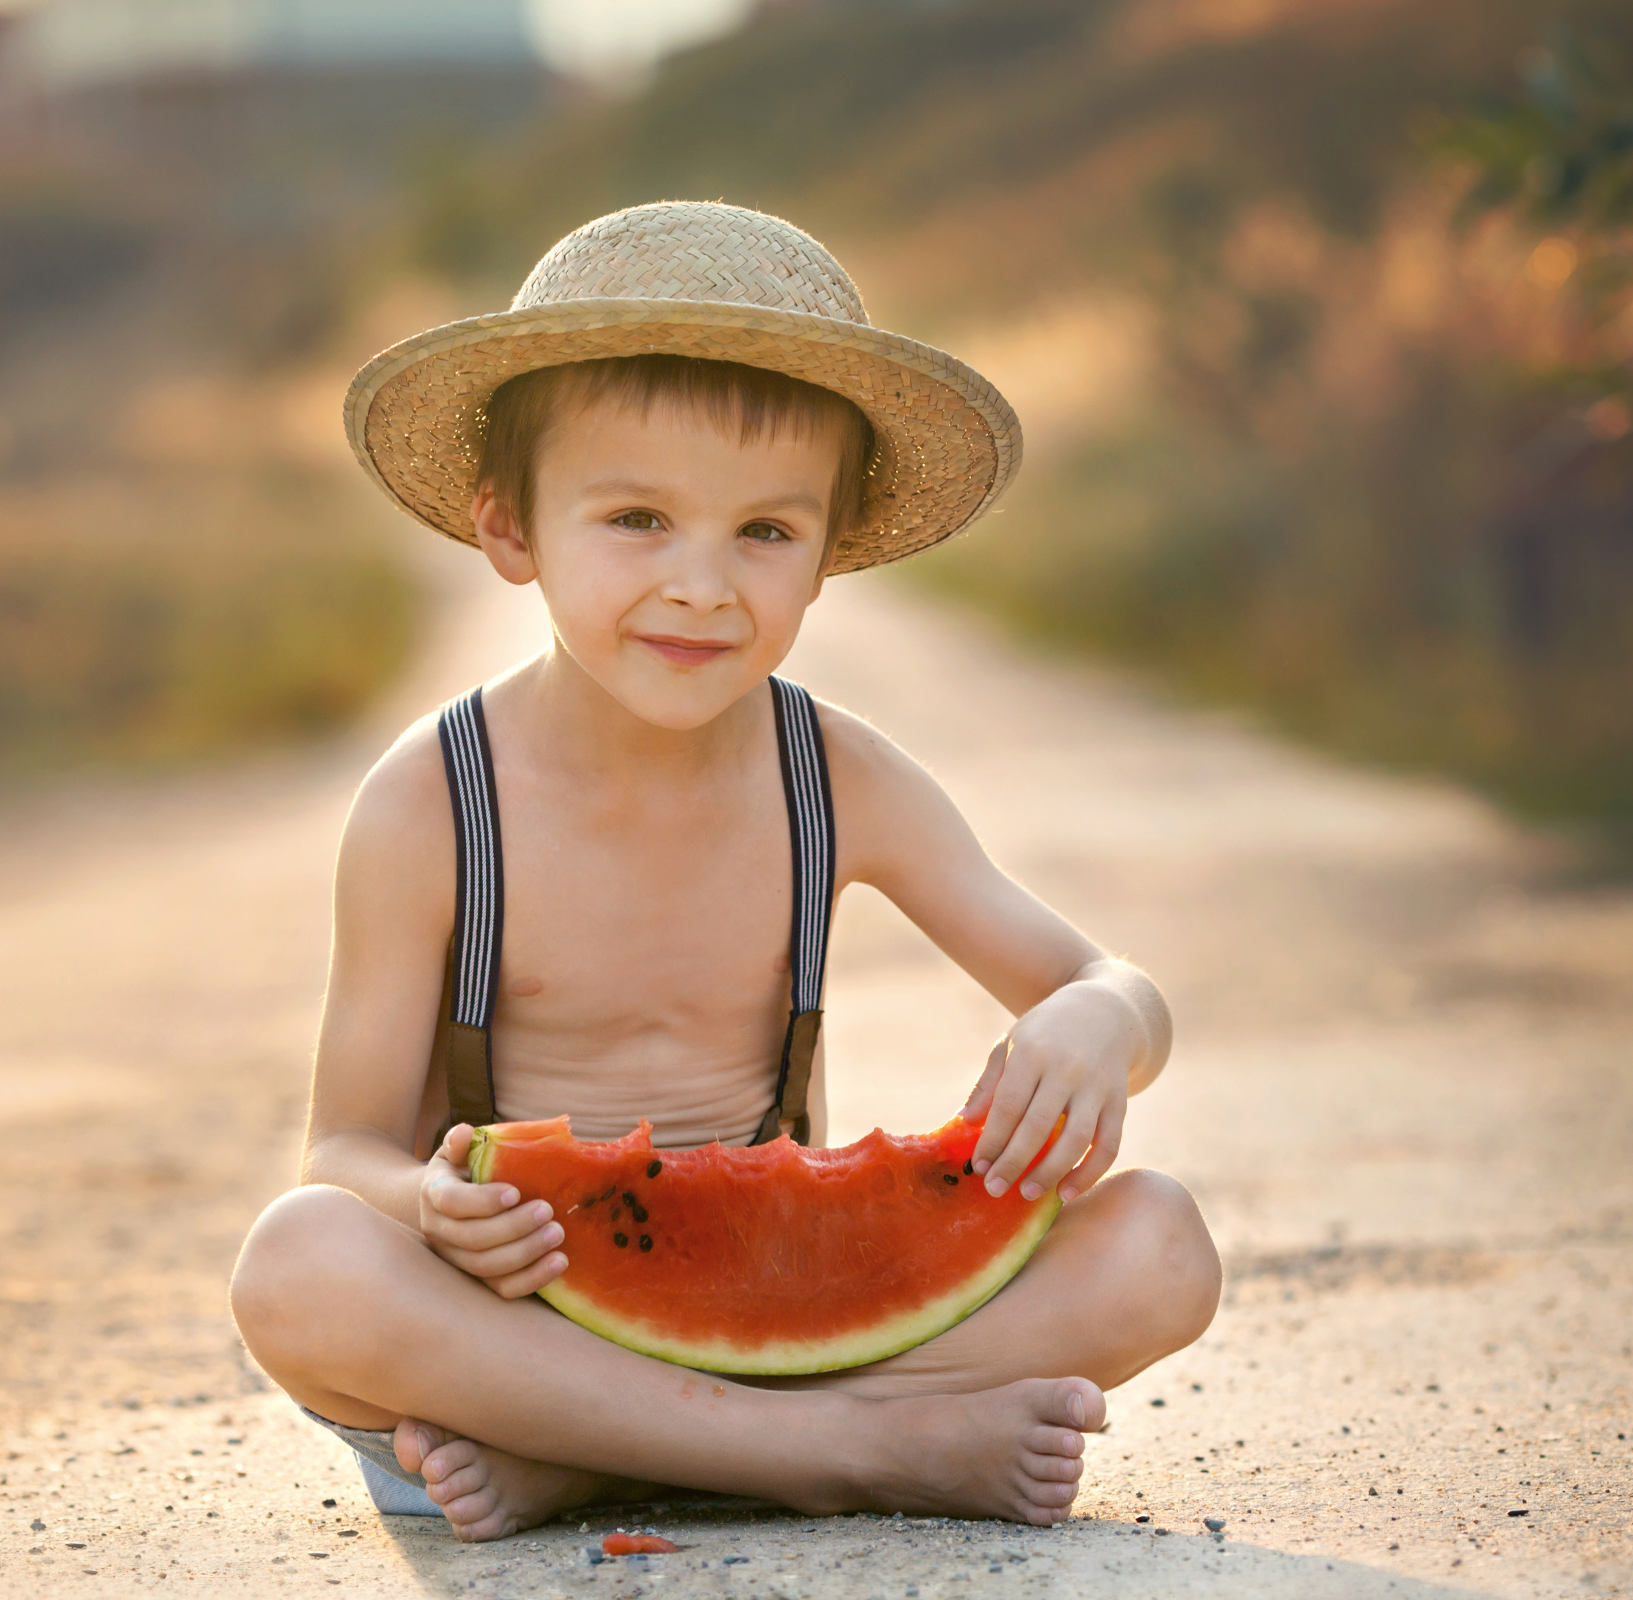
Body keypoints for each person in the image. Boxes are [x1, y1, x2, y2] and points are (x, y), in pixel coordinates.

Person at [229, 201, 1221, 1542]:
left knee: (1162, 1245)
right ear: (510, 532)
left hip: (787, 1329)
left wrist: (1103, 1019)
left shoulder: (837, 778)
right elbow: (342, 1149)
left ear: (828, 556)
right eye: (638, 518)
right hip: (509, 1339)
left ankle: (608, 1471)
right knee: (294, 1263)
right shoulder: (432, 806)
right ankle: (841, 1459)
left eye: (765, 532)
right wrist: (428, 1204)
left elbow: (1106, 982)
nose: (701, 586)